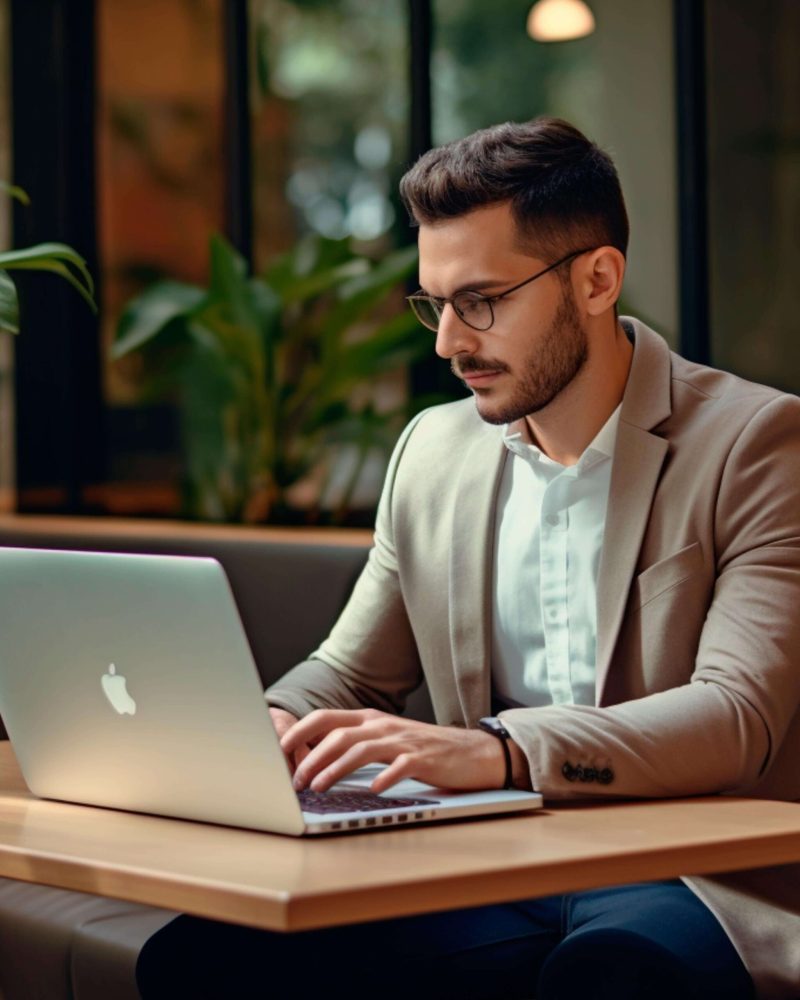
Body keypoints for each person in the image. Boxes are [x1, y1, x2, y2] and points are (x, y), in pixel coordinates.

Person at [137, 118, 800, 1000]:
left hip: (692, 870)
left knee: (618, 975)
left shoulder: (756, 442)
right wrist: (260, 726)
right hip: (492, 859)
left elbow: (736, 718)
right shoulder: (434, 451)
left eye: (481, 301)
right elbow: (346, 675)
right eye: (435, 304)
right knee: (205, 956)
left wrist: (496, 753)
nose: (448, 342)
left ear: (598, 279)